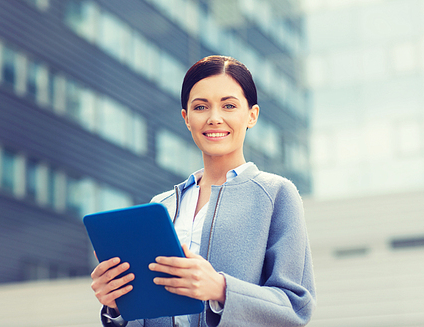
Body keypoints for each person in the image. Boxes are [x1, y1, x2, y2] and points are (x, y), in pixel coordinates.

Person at [90, 55, 316, 327]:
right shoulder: (160, 206)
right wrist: (116, 307)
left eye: (229, 105)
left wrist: (220, 289)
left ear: (251, 115)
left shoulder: (276, 194)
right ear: (187, 118)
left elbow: (295, 307)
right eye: (201, 107)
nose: (214, 118)